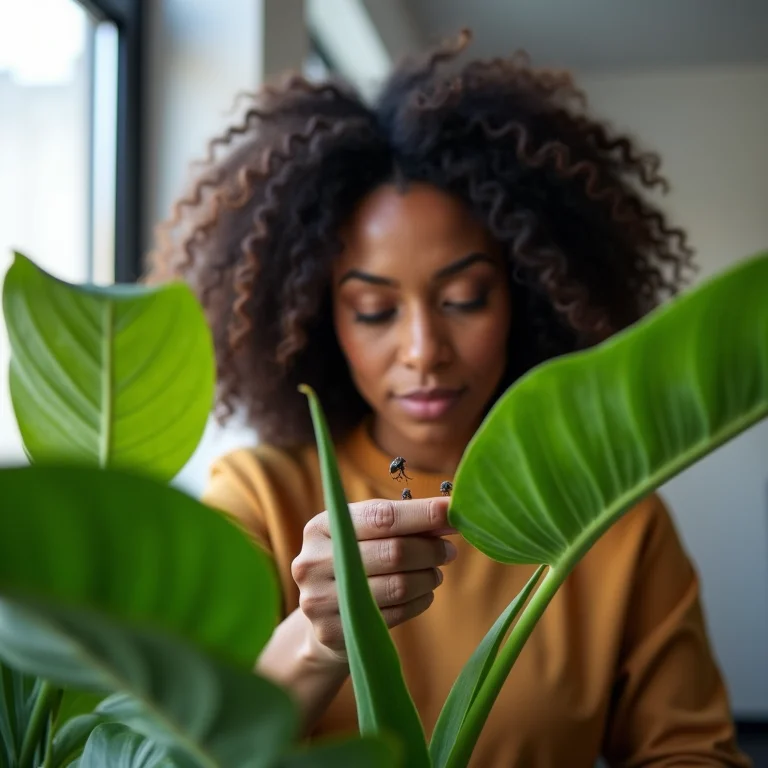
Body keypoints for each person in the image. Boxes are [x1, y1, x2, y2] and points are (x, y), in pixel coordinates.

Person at [149, 29, 751, 768]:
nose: (423, 349)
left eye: (465, 297)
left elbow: (692, 752)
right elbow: (180, 746)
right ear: (318, 319)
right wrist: (317, 638)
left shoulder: (612, 518)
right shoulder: (262, 498)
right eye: (374, 310)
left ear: (529, 296)